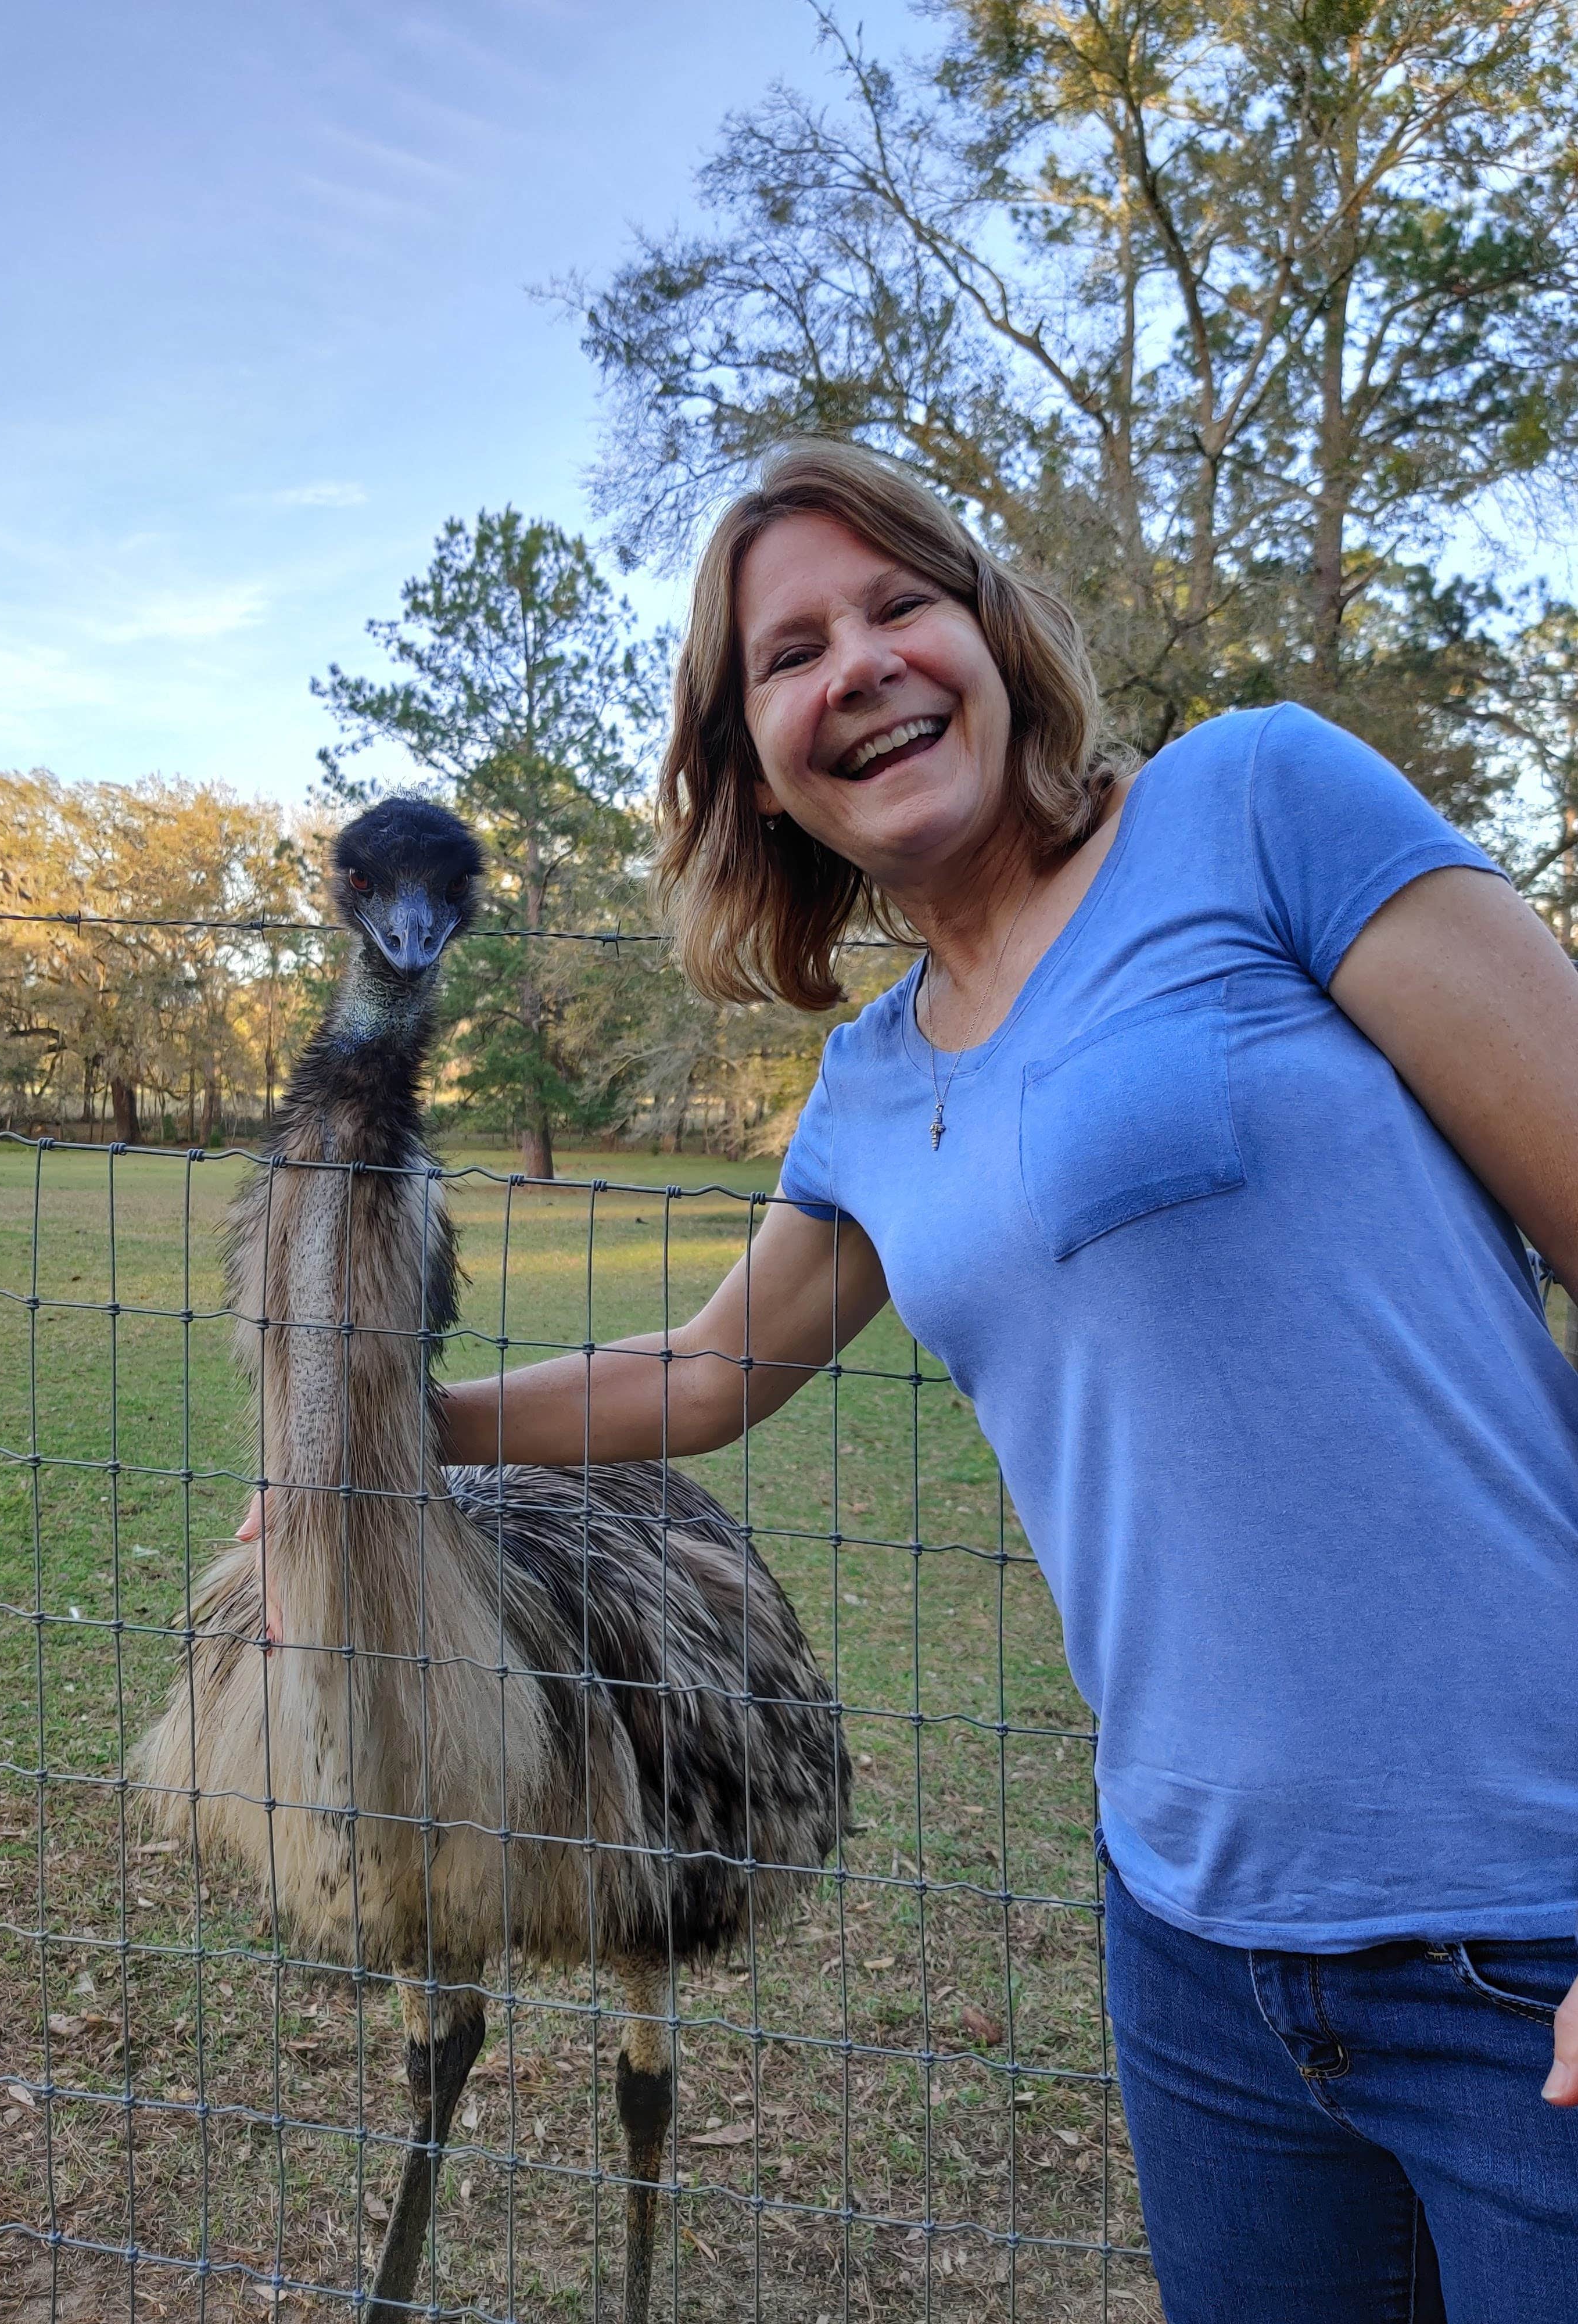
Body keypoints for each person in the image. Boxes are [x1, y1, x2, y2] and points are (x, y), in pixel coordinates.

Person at [246, 440, 1578, 2318]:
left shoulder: (1257, 804)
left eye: (897, 605)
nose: (856, 665)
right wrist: (363, 1438)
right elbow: (708, 1372)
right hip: (1204, 1950)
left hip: (1535, 1917)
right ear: (751, 764)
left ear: (994, 634)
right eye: (789, 654)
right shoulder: (875, 1081)